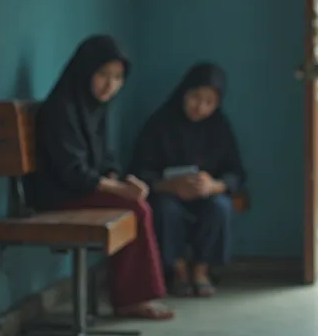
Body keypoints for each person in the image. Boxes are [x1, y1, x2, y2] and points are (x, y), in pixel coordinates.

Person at [27, 35, 173, 320]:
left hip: (81, 190)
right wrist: (119, 190)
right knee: (135, 208)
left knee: (136, 204)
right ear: (85, 71)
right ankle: (130, 299)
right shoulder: (60, 109)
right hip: (58, 194)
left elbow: (106, 158)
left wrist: (121, 180)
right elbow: (72, 173)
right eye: (103, 75)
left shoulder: (96, 107)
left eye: (118, 77)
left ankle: (131, 296)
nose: (110, 85)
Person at [130, 62, 244, 298]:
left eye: (209, 102)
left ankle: (201, 271)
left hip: (206, 195)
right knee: (164, 209)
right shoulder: (159, 124)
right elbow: (138, 172)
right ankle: (178, 272)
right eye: (195, 97)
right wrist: (169, 185)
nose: (200, 107)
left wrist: (214, 185)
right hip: (168, 194)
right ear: (183, 92)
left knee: (220, 208)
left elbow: (236, 173)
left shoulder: (220, 128)